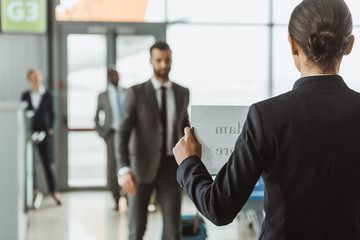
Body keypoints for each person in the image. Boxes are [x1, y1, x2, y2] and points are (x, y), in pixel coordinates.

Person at [173, 0, 360, 239]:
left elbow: (219, 207)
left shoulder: (268, 115)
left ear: (292, 44)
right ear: (349, 45)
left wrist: (189, 162)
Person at [118, 41, 190, 240]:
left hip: (171, 169)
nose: (163, 65)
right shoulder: (136, 93)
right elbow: (122, 133)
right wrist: (124, 169)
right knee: (137, 230)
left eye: (167, 60)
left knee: (173, 232)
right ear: (151, 61)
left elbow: (185, 130)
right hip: (139, 170)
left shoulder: (182, 93)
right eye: (159, 60)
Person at [21, 69, 61, 206]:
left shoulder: (48, 95)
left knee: (47, 163)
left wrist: (51, 128)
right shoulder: (25, 95)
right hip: (30, 133)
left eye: (36, 77)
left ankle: (53, 191)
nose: (34, 80)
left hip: (44, 133)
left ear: (40, 78)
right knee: (30, 163)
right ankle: (34, 191)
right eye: (32, 78)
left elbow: (53, 114)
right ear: (29, 80)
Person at [95, 68, 126, 210]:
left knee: (128, 166)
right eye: (112, 75)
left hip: (126, 134)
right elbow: (96, 118)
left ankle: (129, 197)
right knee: (112, 169)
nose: (115, 77)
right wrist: (103, 134)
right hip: (112, 135)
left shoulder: (126, 92)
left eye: (116, 75)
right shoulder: (103, 96)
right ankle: (116, 198)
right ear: (108, 78)